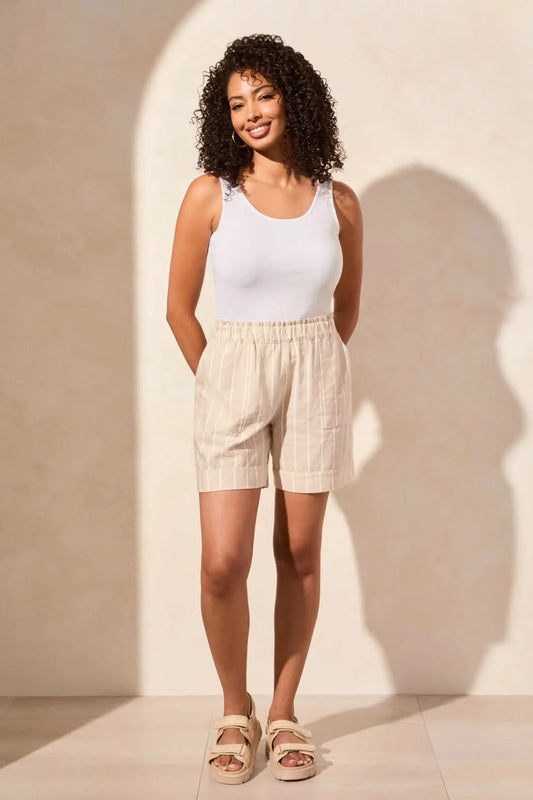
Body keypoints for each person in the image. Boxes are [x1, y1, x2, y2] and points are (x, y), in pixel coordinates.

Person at [166, 33, 363, 784]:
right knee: (223, 562)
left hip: (315, 371)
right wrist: (219, 379)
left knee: (299, 553)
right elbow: (179, 310)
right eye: (235, 102)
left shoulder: (338, 202)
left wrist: (312, 367)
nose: (250, 112)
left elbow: (345, 309)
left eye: (264, 95)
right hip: (233, 372)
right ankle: (234, 709)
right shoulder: (210, 195)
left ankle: (282, 713)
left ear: (294, 98)